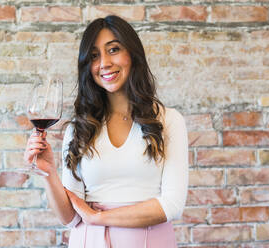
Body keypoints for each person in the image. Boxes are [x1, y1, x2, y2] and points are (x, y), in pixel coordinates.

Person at [24, 15, 188, 248]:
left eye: (113, 50)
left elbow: (172, 204)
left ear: (132, 53)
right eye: (93, 56)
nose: (104, 63)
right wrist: (49, 173)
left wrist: (99, 218)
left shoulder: (169, 121)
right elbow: (70, 219)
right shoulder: (79, 129)